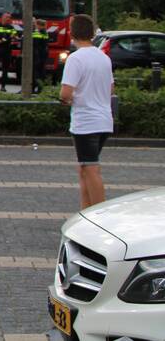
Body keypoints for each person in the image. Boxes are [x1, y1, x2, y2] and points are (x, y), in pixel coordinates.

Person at [59, 14, 114, 209]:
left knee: (90, 169)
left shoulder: (75, 59)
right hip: (104, 120)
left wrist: (68, 99)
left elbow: (65, 93)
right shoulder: (103, 58)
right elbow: (110, 89)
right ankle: (85, 213)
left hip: (86, 122)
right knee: (84, 168)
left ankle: (99, 216)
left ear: (72, 33)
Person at [32, 18, 51, 93]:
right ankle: (39, 88)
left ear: (39, 25)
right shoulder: (44, 32)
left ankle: (38, 87)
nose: (35, 26)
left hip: (38, 55)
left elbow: (35, 43)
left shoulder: (40, 33)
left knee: (37, 72)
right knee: (41, 72)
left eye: (36, 24)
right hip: (42, 55)